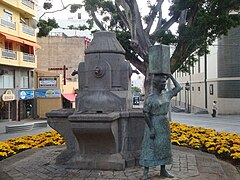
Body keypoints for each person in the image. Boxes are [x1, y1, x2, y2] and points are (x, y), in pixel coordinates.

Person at [139, 74, 182, 180]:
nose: (164, 84)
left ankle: (163, 169)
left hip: (164, 124)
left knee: (164, 147)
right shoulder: (150, 98)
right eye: (162, 83)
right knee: (150, 147)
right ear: (156, 85)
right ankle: (146, 171)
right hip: (154, 122)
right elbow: (145, 114)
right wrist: (151, 128)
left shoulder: (167, 95)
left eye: (164, 82)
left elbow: (178, 87)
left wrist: (170, 76)